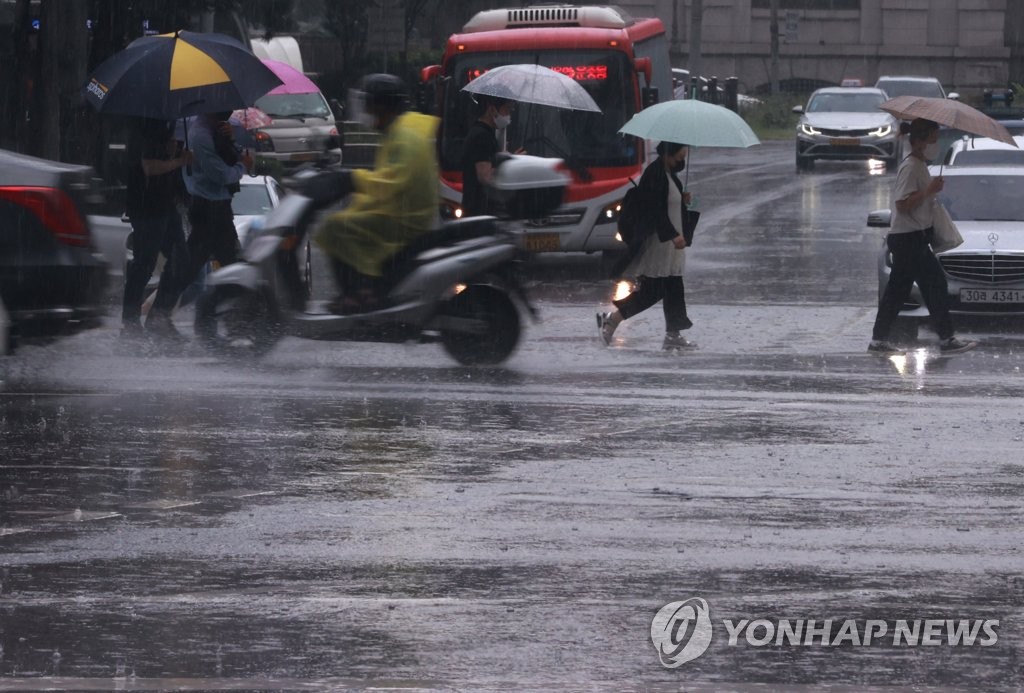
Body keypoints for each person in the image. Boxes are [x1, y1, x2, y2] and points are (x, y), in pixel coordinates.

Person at [314, 74, 440, 313]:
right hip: (399, 211)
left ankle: (358, 294)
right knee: (347, 219)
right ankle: (365, 288)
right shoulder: (396, 133)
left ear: (382, 105)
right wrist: (356, 197)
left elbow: (389, 183)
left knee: (336, 226)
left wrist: (350, 179)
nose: (367, 110)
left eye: (370, 103)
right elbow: (385, 182)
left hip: (405, 219)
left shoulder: (405, 138)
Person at [868, 118, 976, 356]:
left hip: (912, 237)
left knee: (897, 291)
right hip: (909, 239)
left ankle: (878, 341)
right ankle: (947, 338)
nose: (935, 145)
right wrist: (928, 191)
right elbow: (902, 204)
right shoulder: (911, 167)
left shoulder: (919, 165)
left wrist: (931, 191)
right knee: (935, 283)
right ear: (918, 141)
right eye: (933, 140)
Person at [148, 112, 252, 339]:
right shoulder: (201, 136)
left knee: (212, 264)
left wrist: (234, 138)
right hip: (209, 209)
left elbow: (232, 155)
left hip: (218, 207)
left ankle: (171, 314)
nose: (230, 109)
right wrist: (242, 167)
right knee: (223, 265)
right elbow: (221, 174)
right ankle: (166, 315)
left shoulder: (218, 129)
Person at [596, 141, 696, 351]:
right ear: (668, 153)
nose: (682, 160)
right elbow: (655, 210)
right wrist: (672, 235)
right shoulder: (655, 174)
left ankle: (673, 334)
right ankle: (613, 318)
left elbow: (668, 204)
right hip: (660, 243)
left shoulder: (669, 173)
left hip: (671, 245)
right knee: (654, 290)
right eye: (680, 155)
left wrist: (682, 199)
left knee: (673, 288)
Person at [121, 118, 192, 340]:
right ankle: (131, 321)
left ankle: (159, 316)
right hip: (147, 207)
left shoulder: (168, 126)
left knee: (181, 259)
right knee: (145, 263)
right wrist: (179, 160)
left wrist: (174, 153)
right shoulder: (148, 126)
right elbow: (149, 167)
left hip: (165, 205)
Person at [460, 95, 513, 216]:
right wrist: (509, 165)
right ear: (491, 110)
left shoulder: (480, 132)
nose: (508, 115)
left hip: (475, 209)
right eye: (506, 110)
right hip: (478, 211)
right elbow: (484, 176)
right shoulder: (482, 136)